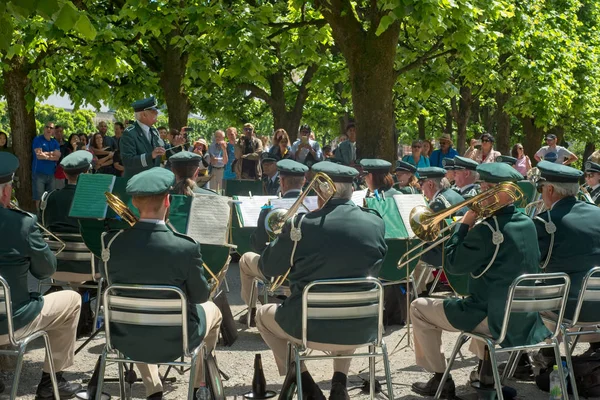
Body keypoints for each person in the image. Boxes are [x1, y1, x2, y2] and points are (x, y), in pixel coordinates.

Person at [411, 163, 549, 397]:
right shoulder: (528, 223)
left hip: (491, 316)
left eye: (488, 187)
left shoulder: (487, 229)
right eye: (482, 186)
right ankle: (485, 375)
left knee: (418, 308)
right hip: (522, 315)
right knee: (488, 298)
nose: (480, 193)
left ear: (506, 191)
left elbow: (453, 265)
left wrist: (463, 226)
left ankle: (439, 378)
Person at [256, 162, 387, 400]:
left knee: (261, 315)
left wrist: (281, 237)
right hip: (363, 324)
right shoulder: (375, 222)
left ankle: (305, 382)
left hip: (309, 327)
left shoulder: (302, 225)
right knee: (349, 306)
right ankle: (339, 384)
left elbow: (268, 267)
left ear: (324, 191)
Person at [102, 167, 222, 400]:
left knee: (138, 312)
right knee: (213, 311)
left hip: (125, 338)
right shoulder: (186, 246)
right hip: (177, 341)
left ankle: (153, 388)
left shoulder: (112, 243)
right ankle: (199, 386)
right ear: (168, 200)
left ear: (135, 202)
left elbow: (108, 281)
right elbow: (199, 297)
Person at [0, 152, 82, 399]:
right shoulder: (22, 224)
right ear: (6, 192)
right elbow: (46, 270)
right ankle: (51, 382)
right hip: (9, 323)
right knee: (72, 300)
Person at [532, 162, 600, 356]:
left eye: (541, 188)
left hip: (567, 310)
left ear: (550, 189)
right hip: (598, 306)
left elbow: (530, 263)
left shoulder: (546, 221)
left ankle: (531, 358)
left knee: (515, 296)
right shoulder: (597, 213)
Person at [237, 160, 307, 326]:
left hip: (277, 271)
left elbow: (257, 244)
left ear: (281, 181)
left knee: (245, 259)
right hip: (308, 269)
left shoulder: (270, 208)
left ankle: (251, 309)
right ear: (304, 181)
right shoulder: (316, 207)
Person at [41, 151, 94, 281]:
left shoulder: (50, 197)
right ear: (87, 173)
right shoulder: (94, 199)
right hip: (89, 268)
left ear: (64, 174)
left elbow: (44, 227)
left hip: (55, 266)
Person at [412, 167, 465, 294]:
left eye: (421, 184)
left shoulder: (439, 203)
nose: (421, 188)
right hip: (458, 249)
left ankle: (415, 294)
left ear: (430, 184)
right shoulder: (454, 195)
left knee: (412, 255)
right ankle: (426, 287)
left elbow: (432, 236)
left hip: (446, 253)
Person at [120, 96, 166, 179]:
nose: (157, 113)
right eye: (154, 111)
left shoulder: (154, 131)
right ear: (144, 114)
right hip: (136, 183)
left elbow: (162, 151)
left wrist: (176, 144)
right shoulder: (129, 133)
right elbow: (128, 161)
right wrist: (150, 156)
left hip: (152, 181)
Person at [32, 122, 61, 209]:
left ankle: (46, 218)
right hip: (39, 173)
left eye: (51, 128)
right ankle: (39, 219)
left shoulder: (55, 142)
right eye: (47, 127)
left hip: (51, 174)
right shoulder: (38, 139)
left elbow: (57, 157)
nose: (49, 129)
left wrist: (45, 154)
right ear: (44, 128)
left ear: (53, 131)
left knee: (50, 198)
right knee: (39, 199)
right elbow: (39, 155)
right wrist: (52, 154)